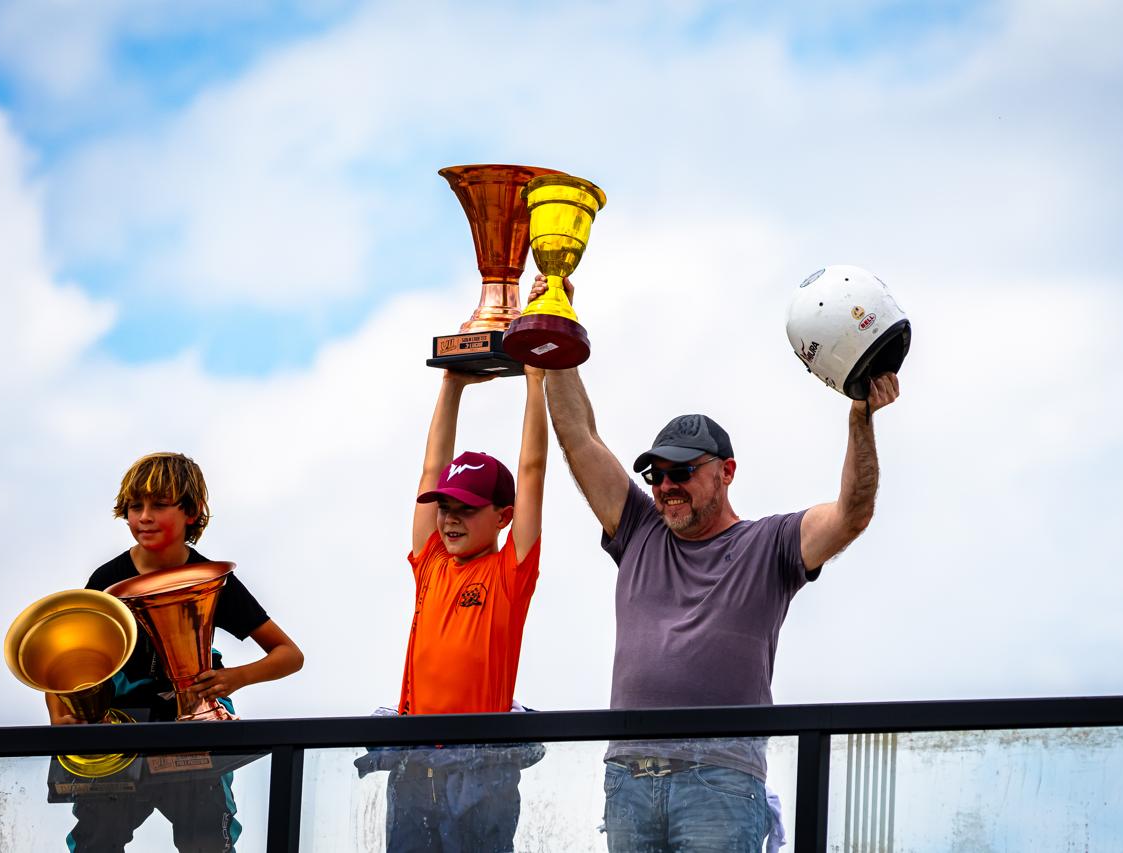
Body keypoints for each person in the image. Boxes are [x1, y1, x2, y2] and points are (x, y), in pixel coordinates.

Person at [531, 274, 900, 852]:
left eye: (682, 471)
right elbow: (579, 438)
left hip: (721, 781)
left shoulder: (769, 545)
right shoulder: (639, 529)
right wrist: (556, 327)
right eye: (656, 474)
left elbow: (851, 515)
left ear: (726, 472)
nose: (665, 486)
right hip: (628, 780)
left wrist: (860, 417)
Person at [53, 451, 304, 853]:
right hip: (121, 732)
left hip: (196, 731)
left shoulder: (215, 579)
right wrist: (61, 719)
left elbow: (288, 654)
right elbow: (65, 661)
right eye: (135, 506)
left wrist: (235, 678)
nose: (144, 517)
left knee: (208, 842)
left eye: (159, 505)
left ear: (192, 511)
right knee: (96, 841)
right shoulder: (106, 579)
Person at [378, 366, 548, 852]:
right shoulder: (430, 561)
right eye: (446, 507)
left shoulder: (508, 573)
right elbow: (430, 472)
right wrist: (450, 386)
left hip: (481, 772)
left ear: (503, 516)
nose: (451, 518)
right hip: (414, 770)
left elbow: (532, 470)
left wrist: (535, 382)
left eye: (467, 508)